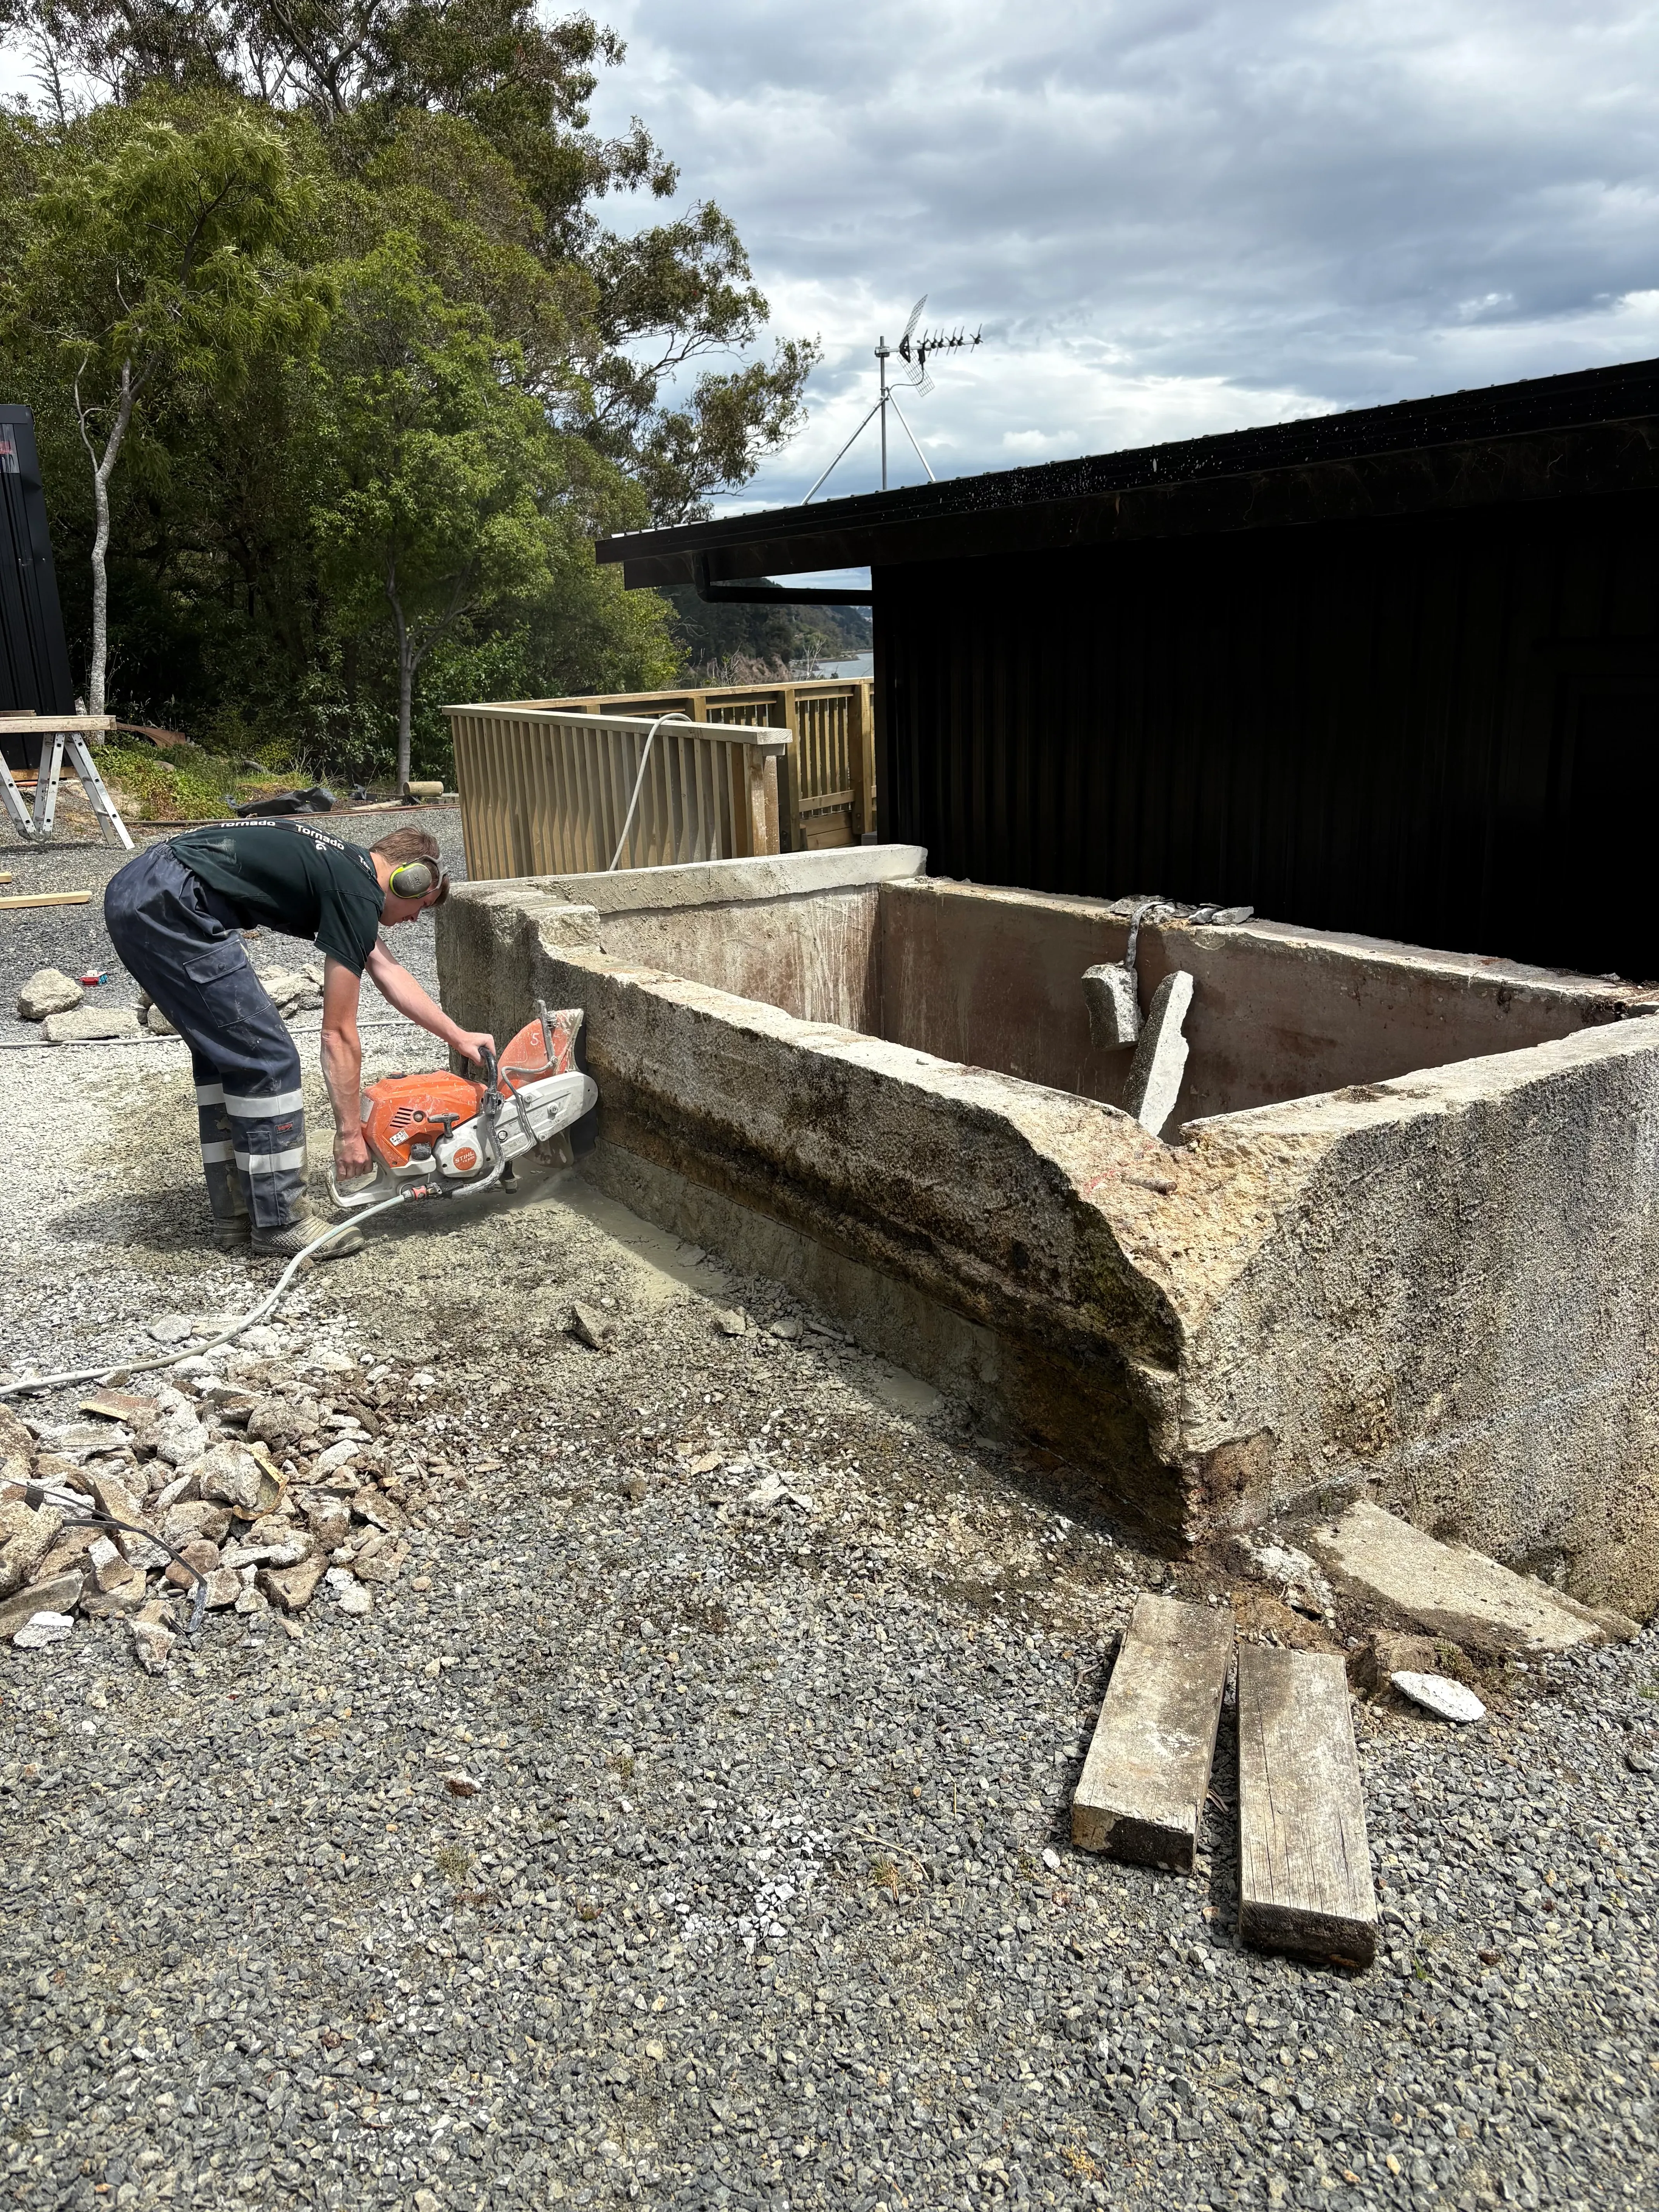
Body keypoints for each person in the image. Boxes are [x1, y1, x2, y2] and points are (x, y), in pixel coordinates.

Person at [104, 819, 494, 1258]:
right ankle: (281, 1222)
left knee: (228, 1056)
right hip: (169, 902)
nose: (415, 918)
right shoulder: (355, 889)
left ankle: (238, 1213)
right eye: (421, 904)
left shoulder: (347, 872)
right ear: (410, 879)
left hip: (146, 891)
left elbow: (389, 971)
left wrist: (458, 1035)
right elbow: (338, 1034)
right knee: (268, 1059)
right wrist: (350, 1134)